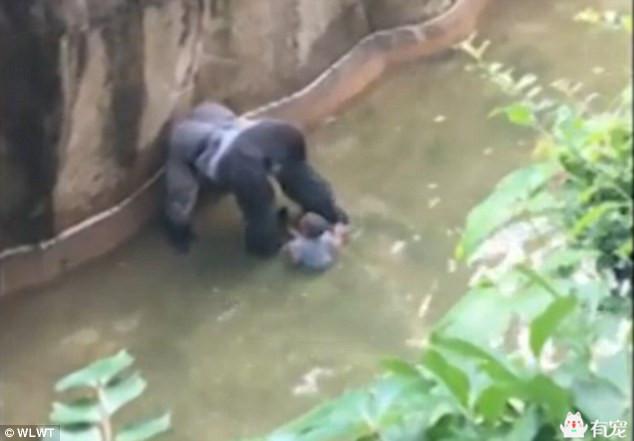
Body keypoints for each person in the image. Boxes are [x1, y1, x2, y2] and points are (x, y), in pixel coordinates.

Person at [284, 212, 348, 271]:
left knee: (287, 246)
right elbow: (335, 247)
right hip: (327, 262)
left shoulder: (297, 245)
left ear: (303, 231)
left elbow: (296, 261)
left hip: (312, 267)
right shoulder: (327, 237)